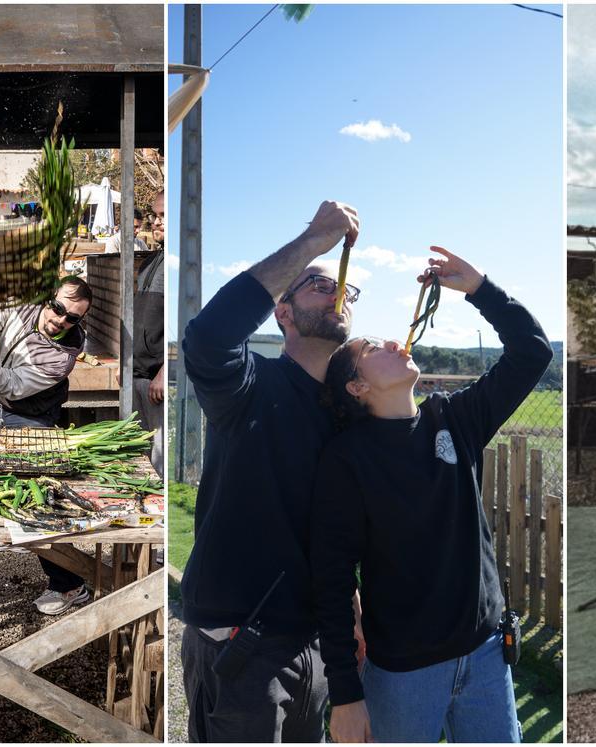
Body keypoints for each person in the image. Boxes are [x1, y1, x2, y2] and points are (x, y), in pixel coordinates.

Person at [314, 247, 552, 743]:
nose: (392, 344)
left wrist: (480, 289)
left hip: (487, 654)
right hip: (403, 672)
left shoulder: (454, 419)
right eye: (373, 348)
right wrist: (345, 694)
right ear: (357, 387)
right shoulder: (346, 460)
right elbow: (333, 580)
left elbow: (533, 352)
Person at [179, 200, 361, 742]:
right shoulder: (249, 386)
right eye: (318, 286)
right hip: (242, 642)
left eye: (345, 291)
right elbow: (207, 337)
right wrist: (313, 242)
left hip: (318, 646)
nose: (338, 295)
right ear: (282, 312)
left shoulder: (347, 412)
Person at [0, 277, 92, 615]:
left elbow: (10, 387)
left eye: (72, 318)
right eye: (59, 308)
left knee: (36, 497)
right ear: (49, 298)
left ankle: (70, 586)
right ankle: (6, 529)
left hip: (30, 413)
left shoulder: (61, 356)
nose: (61, 319)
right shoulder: (24, 302)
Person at [132, 193, 165, 477]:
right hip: (139, 375)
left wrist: (165, 372)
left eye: (163, 216)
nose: (156, 222)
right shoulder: (149, 262)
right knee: (141, 455)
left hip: (158, 379)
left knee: (160, 456)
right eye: (155, 216)